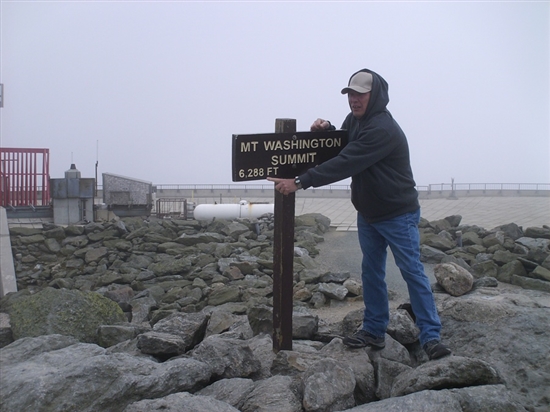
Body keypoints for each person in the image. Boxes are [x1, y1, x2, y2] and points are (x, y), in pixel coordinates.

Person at [267, 68, 452, 360]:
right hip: (368, 213)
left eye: (360, 94)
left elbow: (347, 161)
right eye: (350, 94)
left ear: (374, 95)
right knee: (371, 272)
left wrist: (300, 182)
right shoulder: (354, 120)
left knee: (412, 272)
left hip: (397, 213)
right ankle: (374, 330)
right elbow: (343, 144)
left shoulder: (383, 129)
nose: (354, 100)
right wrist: (327, 129)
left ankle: (431, 336)